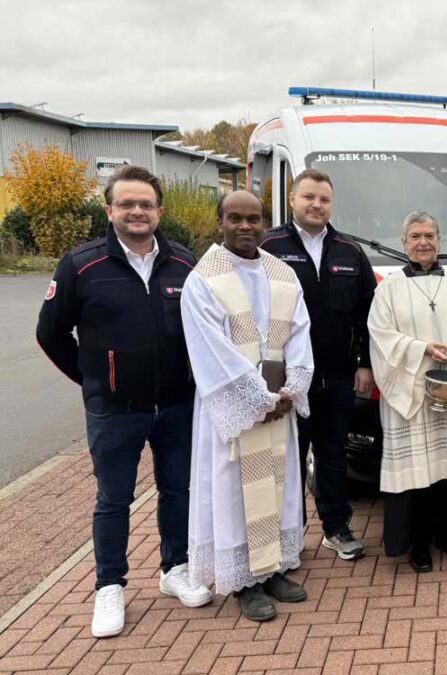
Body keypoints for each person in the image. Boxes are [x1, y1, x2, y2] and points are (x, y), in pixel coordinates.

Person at [36, 166, 211, 638]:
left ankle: (176, 568)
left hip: (176, 405)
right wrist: (94, 379)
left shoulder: (185, 264)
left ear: (159, 211)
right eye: (127, 204)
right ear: (110, 210)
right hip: (114, 411)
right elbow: (50, 334)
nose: (138, 212)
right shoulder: (81, 265)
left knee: (178, 491)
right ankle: (109, 585)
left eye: (146, 204)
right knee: (114, 500)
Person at [182, 191, 314, 622]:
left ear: (265, 223)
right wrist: (258, 400)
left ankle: (272, 568)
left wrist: (292, 387)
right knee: (236, 493)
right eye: (235, 218)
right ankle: (244, 583)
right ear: (219, 221)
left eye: (254, 219)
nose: (245, 227)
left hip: (279, 407)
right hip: (235, 413)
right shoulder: (202, 279)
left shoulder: (281, 274)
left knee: (277, 485)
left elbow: (299, 332)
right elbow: (211, 351)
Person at [368, 211, 447, 573]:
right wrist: (423, 348)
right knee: (417, 471)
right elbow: (381, 335)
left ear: (439, 241)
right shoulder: (388, 288)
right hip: (412, 394)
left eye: (429, 235)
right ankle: (418, 543)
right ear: (403, 243)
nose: (422, 242)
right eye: (414, 236)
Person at [261, 169, 377, 561]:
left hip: (339, 374)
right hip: (287, 379)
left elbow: (368, 314)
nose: (316, 205)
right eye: (308, 197)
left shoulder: (350, 251)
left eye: (324, 199)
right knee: (288, 456)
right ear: (292, 200)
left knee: (332, 454)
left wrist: (365, 363)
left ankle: (336, 528)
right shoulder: (268, 248)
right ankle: (285, 535)